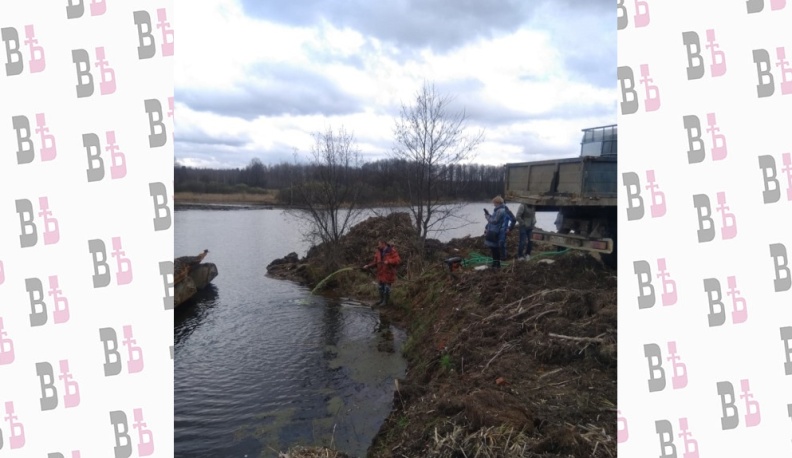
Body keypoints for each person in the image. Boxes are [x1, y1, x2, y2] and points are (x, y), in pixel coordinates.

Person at [362, 240, 401, 306]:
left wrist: (388, 261)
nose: (378, 245)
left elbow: (398, 260)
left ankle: (385, 302)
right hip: (380, 273)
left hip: (388, 274)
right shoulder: (378, 252)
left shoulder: (392, 251)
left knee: (386, 288)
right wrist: (368, 266)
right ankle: (381, 300)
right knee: (380, 288)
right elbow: (375, 262)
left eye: (379, 244)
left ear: (384, 244)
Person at [483, 196, 512, 269]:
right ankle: (495, 263)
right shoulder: (499, 210)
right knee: (494, 248)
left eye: (494, 203)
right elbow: (494, 219)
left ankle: (497, 264)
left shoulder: (500, 210)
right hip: (495, 231)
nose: (494, 204)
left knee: (495, 249)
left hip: (496, 232)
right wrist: (489, 215)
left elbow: (494, 221)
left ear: (498, 202)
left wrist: (487, 216)